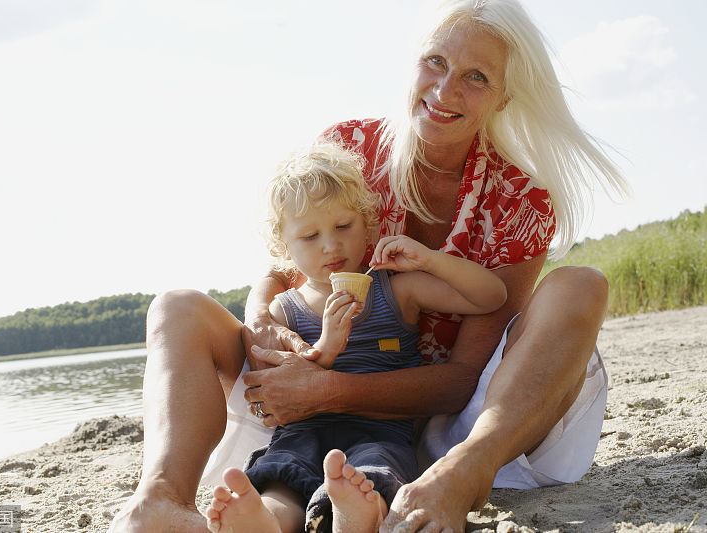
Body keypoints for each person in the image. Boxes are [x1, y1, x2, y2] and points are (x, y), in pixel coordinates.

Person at [108, 0, 629, 531]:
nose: (445, 91)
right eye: (435, 62)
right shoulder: (349, 147)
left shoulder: (521, 202)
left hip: (457, 420)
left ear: (505, 95)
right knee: (176, 307)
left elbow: (462, 379)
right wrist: (261, 311)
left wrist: (329, 391)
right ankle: (160, 500)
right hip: (306, 409)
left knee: (581, 285)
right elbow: (287, 262)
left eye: (476, 76)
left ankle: (459, 476)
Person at [204, 142, 507, 533]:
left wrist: (429, 260)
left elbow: (490, 297)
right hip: (302, 429)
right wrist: (326, 349)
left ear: (368, 224)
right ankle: (269, 520)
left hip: (380, 429)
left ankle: (350, 516)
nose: (331, 245)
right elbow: (276, 387)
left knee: (370, 470)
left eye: (343, 227)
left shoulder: (396, 290)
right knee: (284, 472)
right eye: (310, 236)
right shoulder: (283, 310)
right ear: (285, 247)